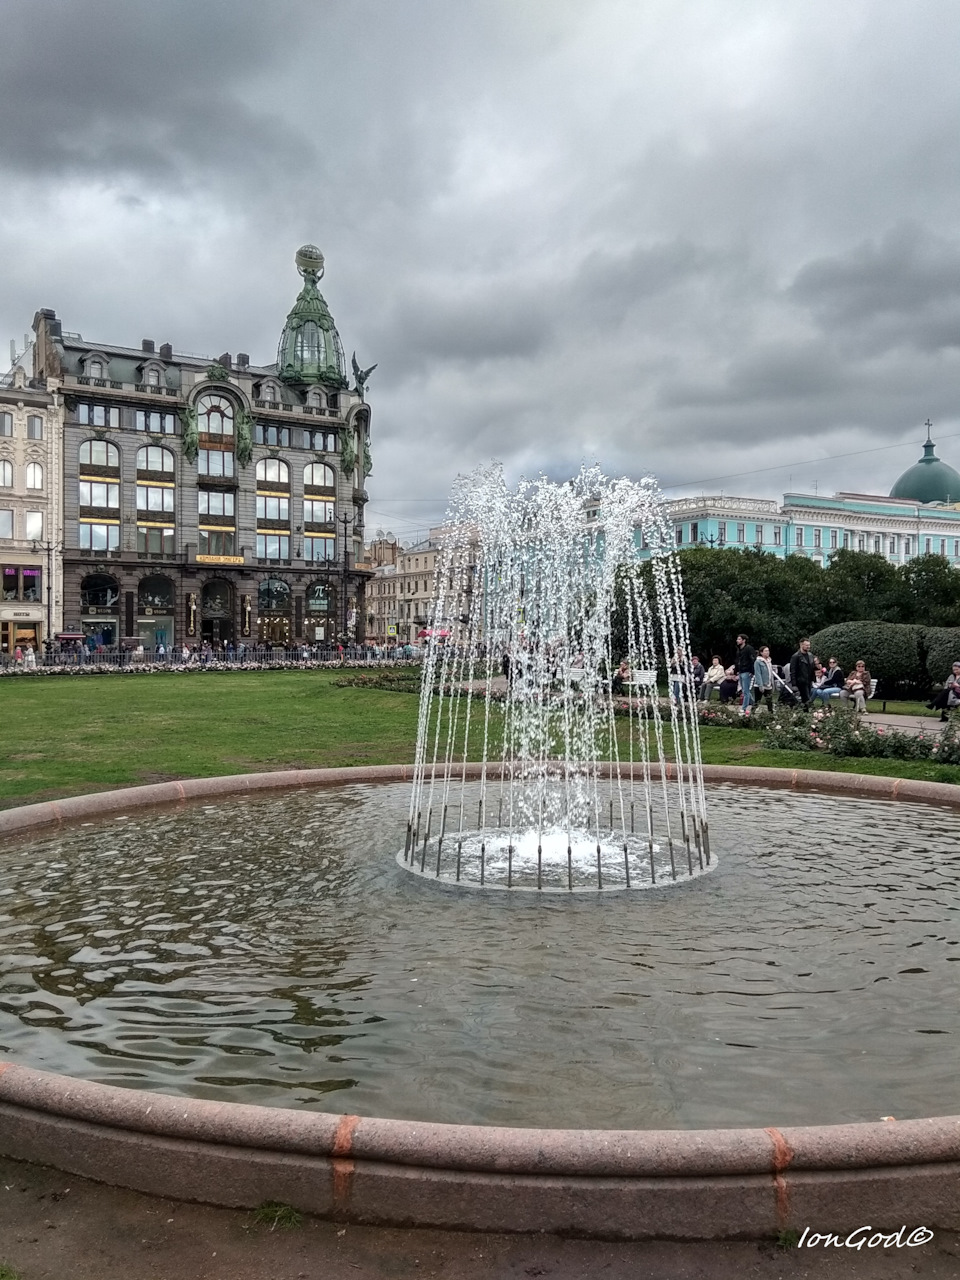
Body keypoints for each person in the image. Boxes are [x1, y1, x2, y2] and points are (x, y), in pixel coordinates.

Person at [789, 637, 816, 706]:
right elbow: (793, 671)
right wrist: (794, 684)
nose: (808, 647)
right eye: (806, 645)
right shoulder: (796, 656)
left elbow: (812, 668)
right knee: (806, 699)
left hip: (809, 681)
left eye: (809, 645)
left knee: (805, 699)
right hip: (801, 681)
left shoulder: (810, 655)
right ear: (801, 645)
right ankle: (806, 713)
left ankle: (805, 712)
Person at [734, 633, 756, 710]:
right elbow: (737, 661)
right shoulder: (739, 650)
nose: (737, 640)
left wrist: (752, 671)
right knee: (744, 690)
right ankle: (754, 703)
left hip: (747, 671)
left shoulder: (749, 649)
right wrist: (736, 671)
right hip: (741, 671)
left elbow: (753, 660)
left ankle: (744, 707)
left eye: (739, 639)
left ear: (744, 640)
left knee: (746, 691)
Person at [752, 645, 775, 710]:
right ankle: (750, 715)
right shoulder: (758, 662)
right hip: (760, 685)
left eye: (768, 651)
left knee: (769, 702)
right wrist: (760, 685)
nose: (767, 652)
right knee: (757, 702)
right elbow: (758, 674)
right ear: (761, 653)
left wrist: (772, 684)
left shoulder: (769, 661)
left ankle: (770, 716)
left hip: (768, 685)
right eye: (765, 651)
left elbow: (770, 673)